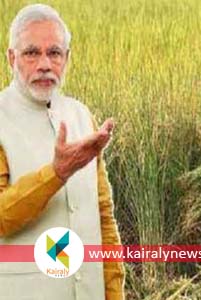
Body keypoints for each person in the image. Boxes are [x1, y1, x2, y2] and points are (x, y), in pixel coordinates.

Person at [0, 4, 124, 299]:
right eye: (32, 52)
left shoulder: (81, 115)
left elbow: (103, 218)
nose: (45, 64)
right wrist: (56, 174)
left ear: (67, 59)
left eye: (54, 53)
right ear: (11, 57)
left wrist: (115, 293)